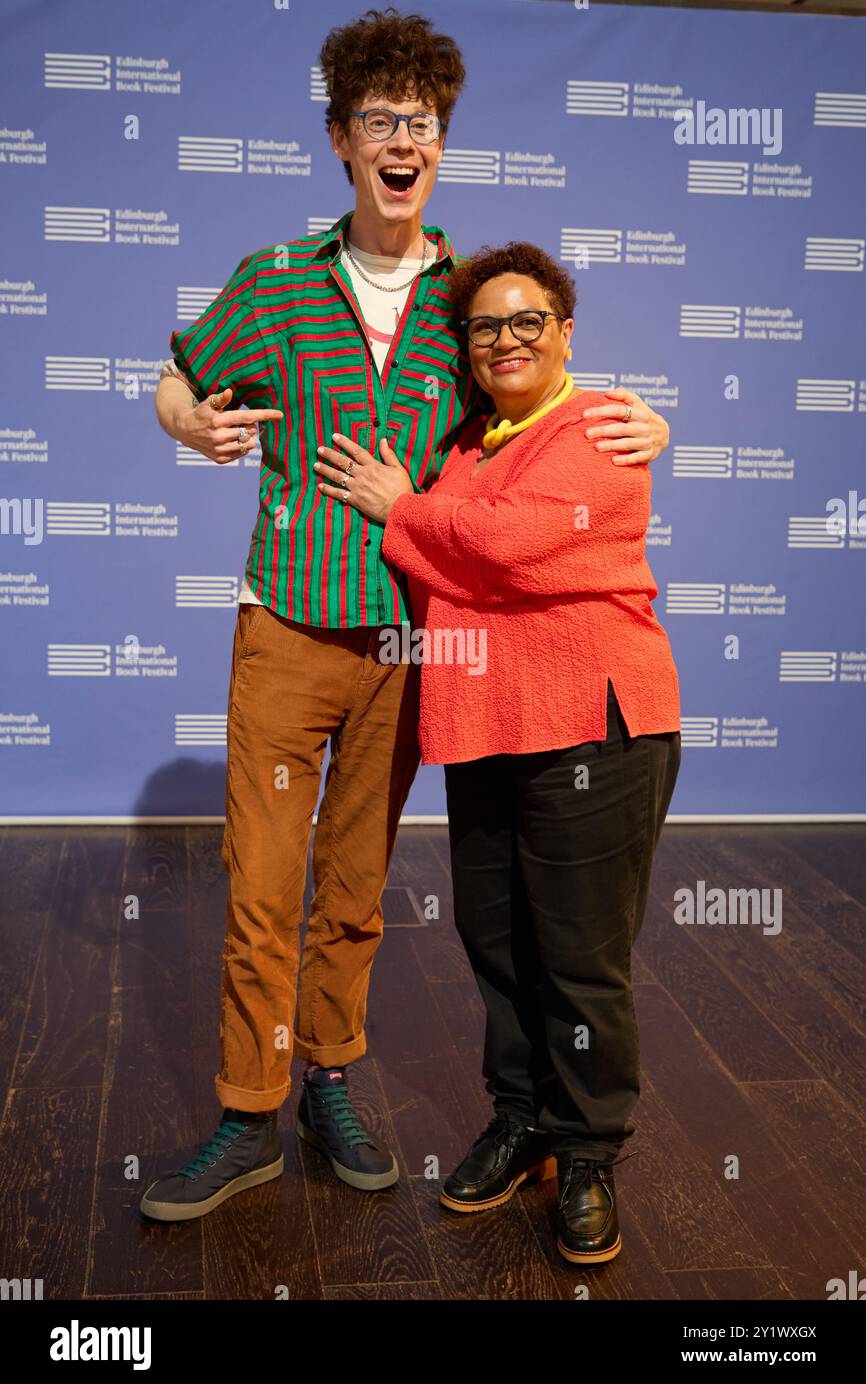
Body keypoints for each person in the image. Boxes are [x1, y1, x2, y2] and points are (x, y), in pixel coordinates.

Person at [141, 7, 672, 1224]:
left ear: (439, 144)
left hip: (401, 648)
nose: (400, 140)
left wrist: (650, 422)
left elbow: (544, 395)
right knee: (261, 883)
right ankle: (245, 1114)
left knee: (355, 885)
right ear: (340, 139)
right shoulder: (273, 281)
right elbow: (176, 374)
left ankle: (331, 1082)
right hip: (282, 628)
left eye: (419, 124)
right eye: (378, 119)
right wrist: (190, 422)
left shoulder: (462, 297)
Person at [313, 240, 681, 1263]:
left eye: (528, 320)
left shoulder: (602, 425)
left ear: (565, 332)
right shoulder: (465, 448)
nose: (506, 338)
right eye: (485, 326)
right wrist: (437, 521)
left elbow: (507, 547)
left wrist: (404, 512)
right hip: (484, 728)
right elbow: (460, 558)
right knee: (494, 938)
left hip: (593, 726)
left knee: (576, 956)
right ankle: (521, 1120)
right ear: (466, 348)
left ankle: (590, 1150)